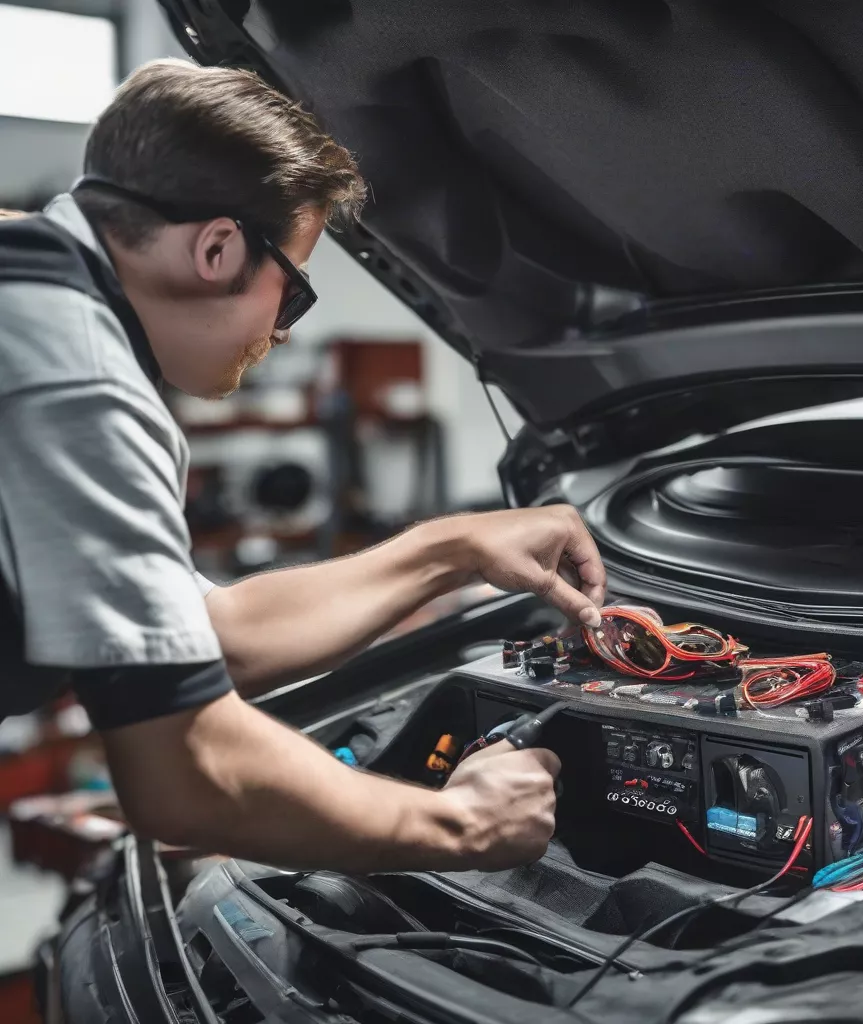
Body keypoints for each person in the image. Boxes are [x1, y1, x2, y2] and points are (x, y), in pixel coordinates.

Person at [0, 59, 607, 873]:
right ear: (217, 249)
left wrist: (452, 548)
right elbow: (186, 773)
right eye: (292, 292)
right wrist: (465, 824)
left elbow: (217, 638)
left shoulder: (27, 284)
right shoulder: (80, 380)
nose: (282, 332)